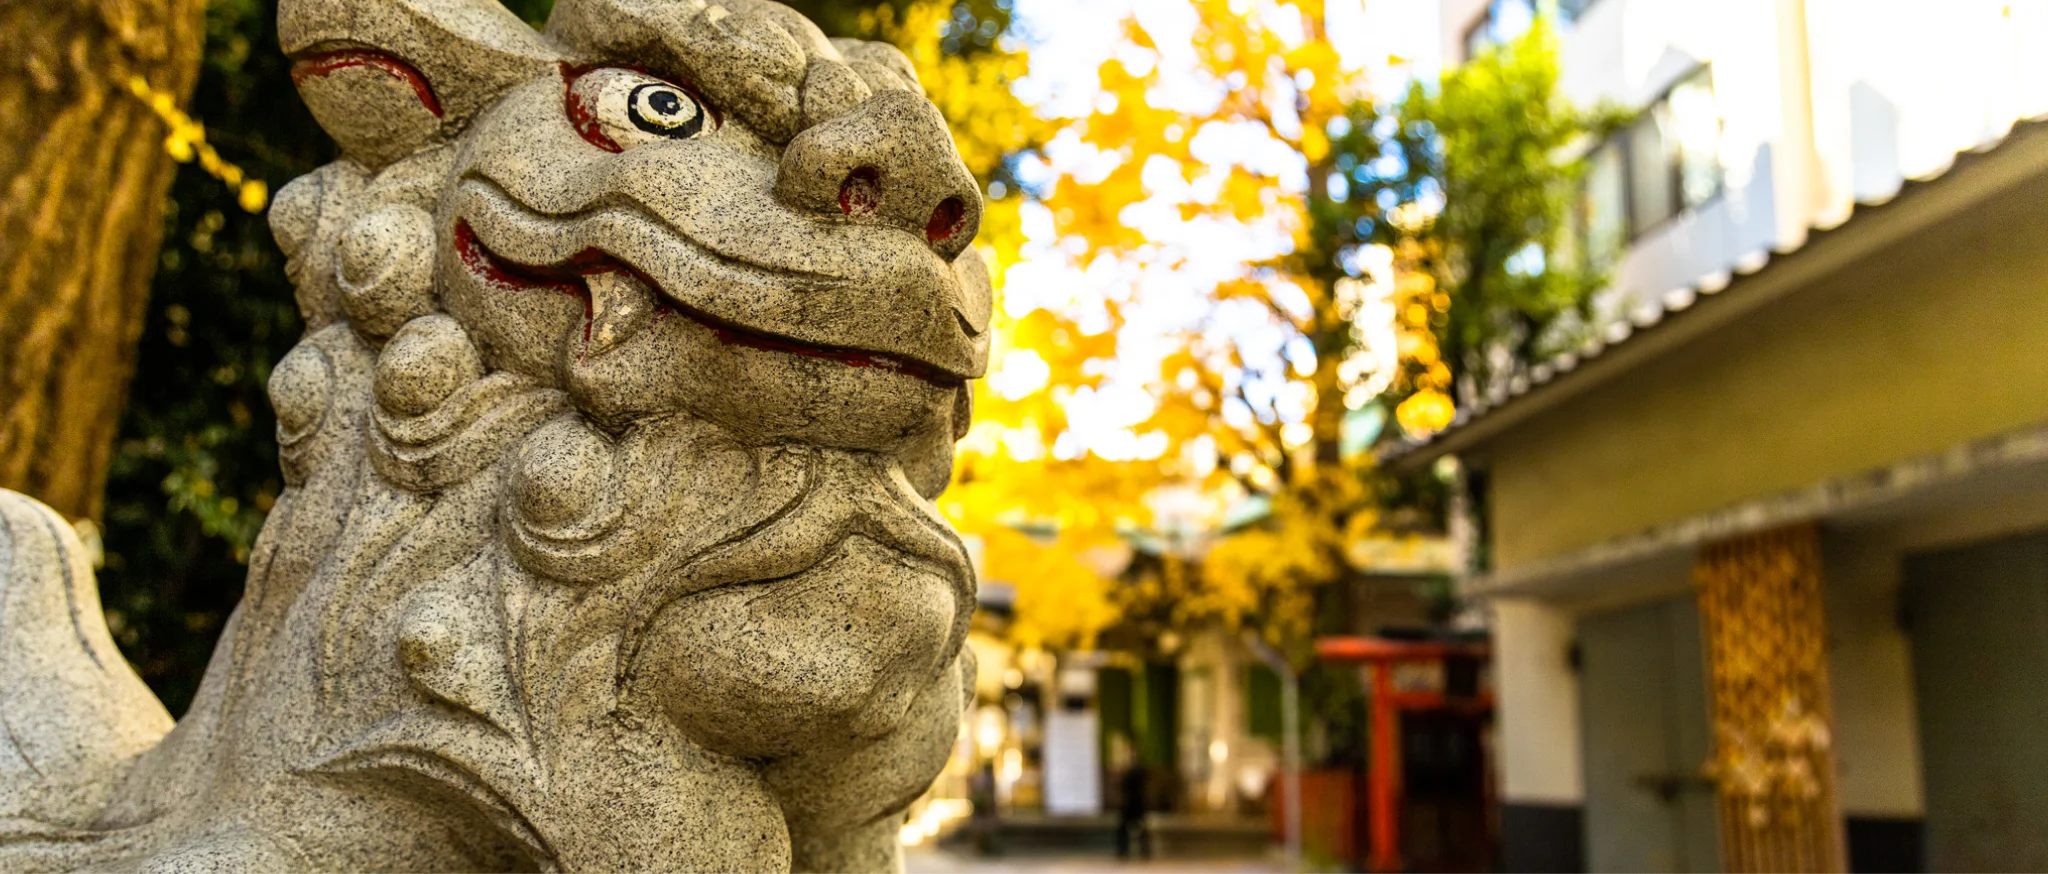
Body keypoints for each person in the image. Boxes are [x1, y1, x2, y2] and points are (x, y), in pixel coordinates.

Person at [1114, 742, 1149, 861]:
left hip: (1135, 804)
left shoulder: (1138, 771)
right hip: (1131, 804)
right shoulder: (1132, 771)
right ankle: (1125, 850)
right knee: (1124, 828)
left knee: (1140, 828)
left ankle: (1141, 851)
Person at [968, 761, 999, 857]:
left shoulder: (980, 778)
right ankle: (982, 847)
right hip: (984, 808)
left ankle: (982, 847)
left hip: (981, 809)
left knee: (981, 827)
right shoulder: (987, 779)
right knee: (984, 827)